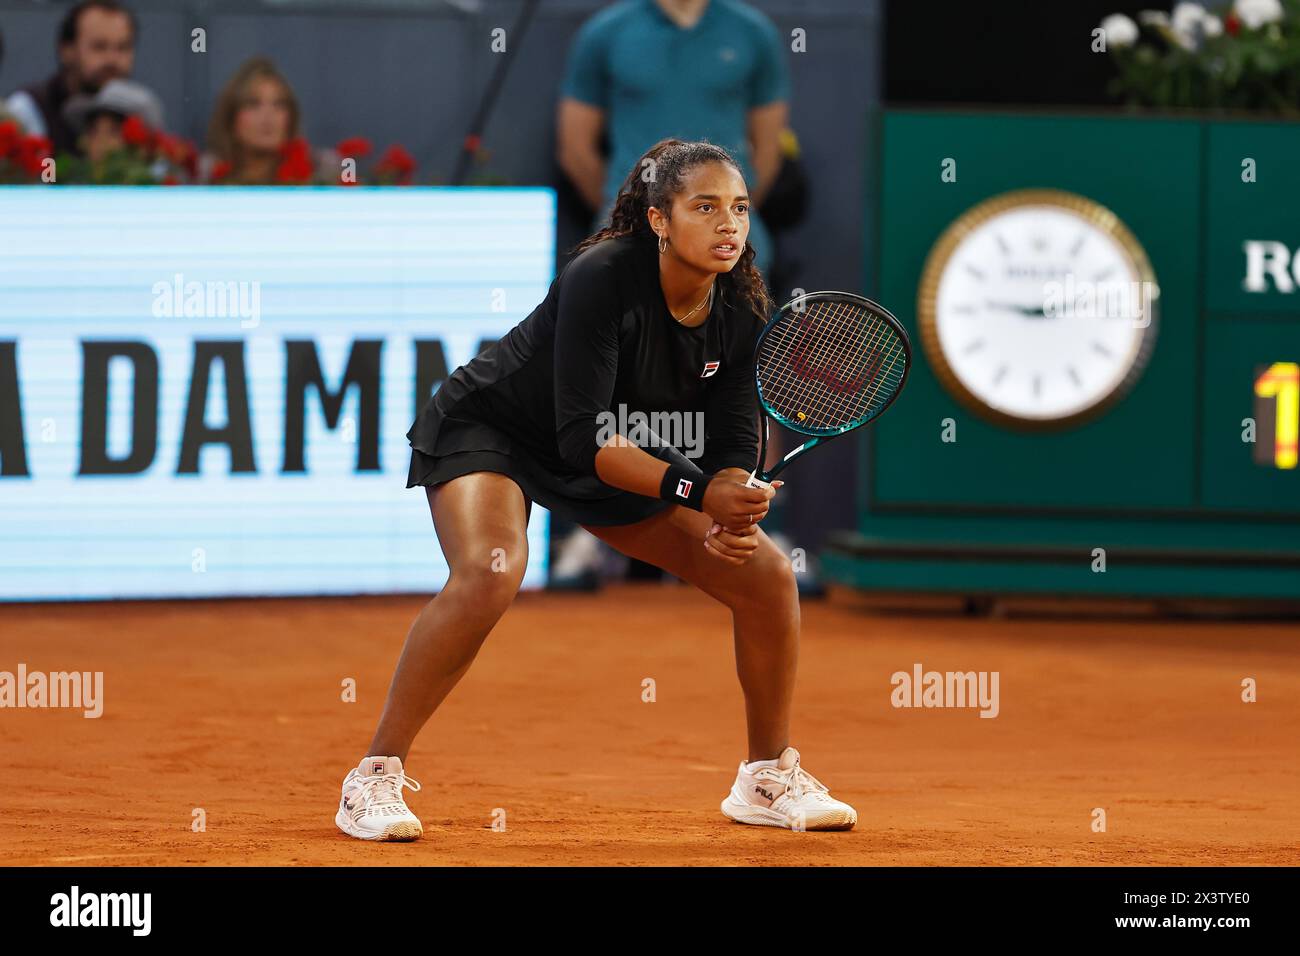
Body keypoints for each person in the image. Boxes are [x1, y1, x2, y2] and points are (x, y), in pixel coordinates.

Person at [334, 139, 857, 842]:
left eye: (738, 207)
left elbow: (734, 445)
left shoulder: (739, 311)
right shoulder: (602, 275)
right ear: (659, 220)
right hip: (500, 430)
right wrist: (699, 494)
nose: (729, 224)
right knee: (493, 572)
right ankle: (374, 776)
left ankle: (766, 776)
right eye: (705, 207)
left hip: (616, 452)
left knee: (766, 574)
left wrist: (733, 498)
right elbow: (583, 436)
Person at [553, 0, 792, 586]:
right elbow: (577, 148)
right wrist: (638, 221)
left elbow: (764, 154)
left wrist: (718, 217)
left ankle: (748, 520)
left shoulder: (753, 34)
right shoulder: (606, 33)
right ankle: (593, 533)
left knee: (745, 386)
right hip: (637, 243)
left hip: (730, 251)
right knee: (611, 393)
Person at [4, 1, 147, 156]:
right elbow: (33, 175)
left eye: (123, 47)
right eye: (99, 46)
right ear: (66, 50)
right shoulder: (28, 110)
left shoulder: (141, 112)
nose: (112, 60)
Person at [200, 57, 334, 184]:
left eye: (279, 104)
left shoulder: (324, 178)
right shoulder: (200, 179)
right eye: (253, 103)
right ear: (230, 117)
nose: (268, 116)